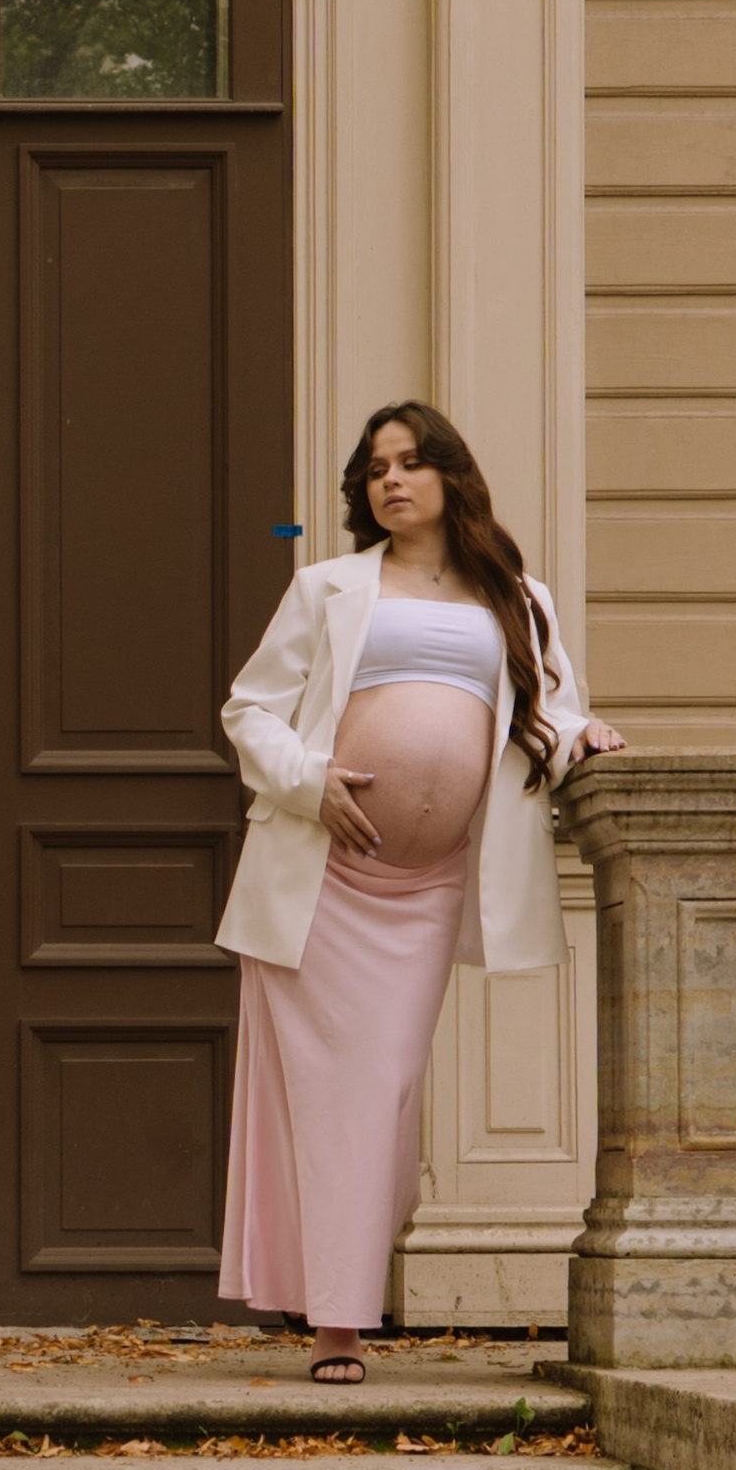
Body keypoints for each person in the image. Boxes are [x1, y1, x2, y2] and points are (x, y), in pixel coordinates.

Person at [215, 401, 627, 1384]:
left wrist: (585, 737)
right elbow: (249, 709)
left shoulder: (517, 599)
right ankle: (337, 1326)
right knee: (330, 1096)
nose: (389, 481)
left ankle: (340, 1286)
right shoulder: (325, 589)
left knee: (384, 1088)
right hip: (323, 882)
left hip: (426, 886)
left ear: (449, 475)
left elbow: (549, 712)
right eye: (373, 469)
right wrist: (310, 782)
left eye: (409, 463)